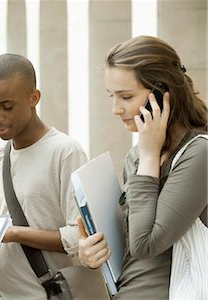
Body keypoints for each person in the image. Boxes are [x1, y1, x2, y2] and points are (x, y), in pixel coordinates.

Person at [78, 35, 207, 299]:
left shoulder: (199, 153)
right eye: (112, 96)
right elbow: (129, 245)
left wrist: (149, 157)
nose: (115, 109)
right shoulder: (136, 155)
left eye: (126, 96)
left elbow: (145, 245)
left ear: (162, 94)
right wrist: (91, 252)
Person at [0, 53, 88, 299]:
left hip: (47, 294)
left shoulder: (65, 152)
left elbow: (79, 235)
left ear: (34, 98)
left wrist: (13, 234)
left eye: (7, 106)